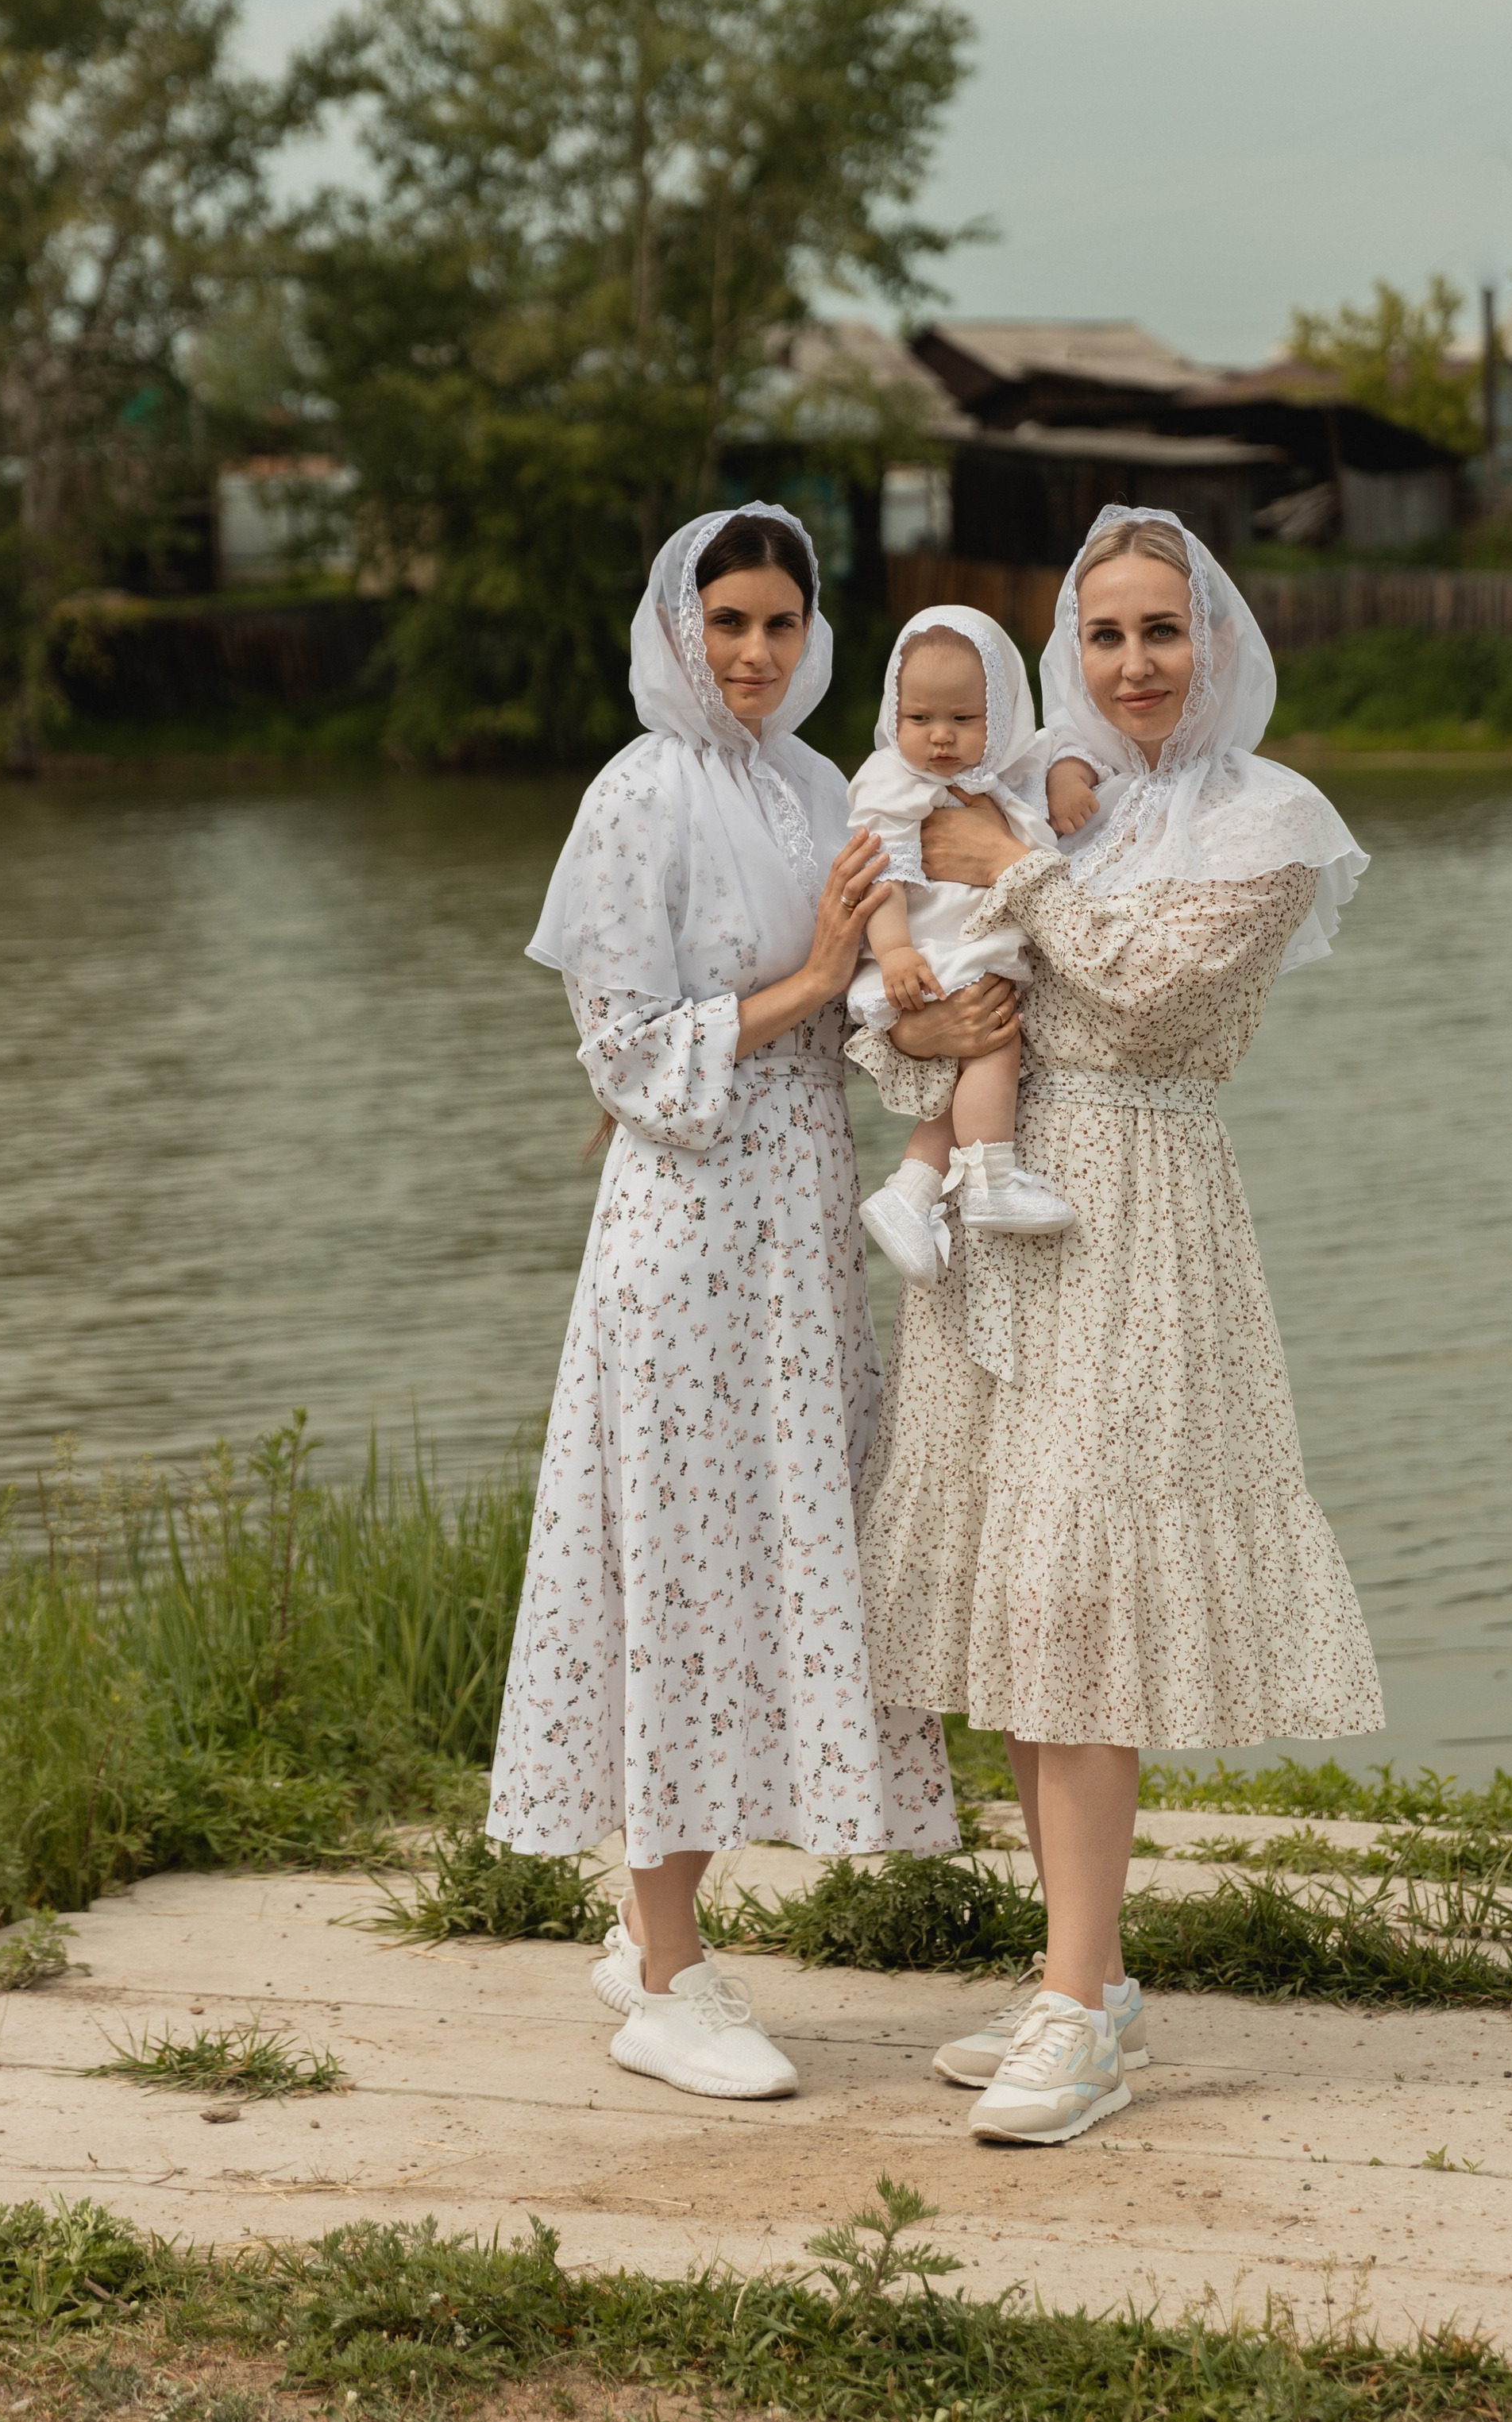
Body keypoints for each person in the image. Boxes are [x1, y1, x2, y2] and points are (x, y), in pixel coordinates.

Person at [849, 504, 1383, 2147]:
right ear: (1066, 653)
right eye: (1102, 636)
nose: (1134, 664)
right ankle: (1079, 1971)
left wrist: (1013, 873)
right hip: (990, 1208)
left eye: (1162, 631)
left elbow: (1149, 997)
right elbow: (927, 1014)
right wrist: (921, 1014)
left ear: (1211, 643)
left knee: (1079, 1595)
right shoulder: (1025, 796)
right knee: (1021, 1589)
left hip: (1136, 1212)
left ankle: (1079, 2013)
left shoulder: (1265, 818)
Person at [486, 502, 958, 2104]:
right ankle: (667, 1966)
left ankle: (650, 1926)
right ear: (677, 629)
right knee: (679, 1566)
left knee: (775, 1559)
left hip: (800, 1231)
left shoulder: (823, 786)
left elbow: (863, 1003)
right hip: (683, 1233)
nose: (751, 653)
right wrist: (815, 985)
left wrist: (917, 998)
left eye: (776, 623)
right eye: (726, 623)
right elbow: (625, 1055)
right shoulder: (639, 794)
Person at [848, 605, 1077, 1281]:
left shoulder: (1007, 774)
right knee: (995, 1042)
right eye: (919, 720)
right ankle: (988, 1180)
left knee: (965, 1069)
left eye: (964, 720)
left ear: (1000, 717)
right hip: (937, 947)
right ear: (895, 715)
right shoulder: (896, 781)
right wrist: (892, 952)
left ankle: (911, 1193)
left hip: (967, 945)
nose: (940, 738)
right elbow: (880, 874)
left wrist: (1071, 779)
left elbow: (1069, 747)